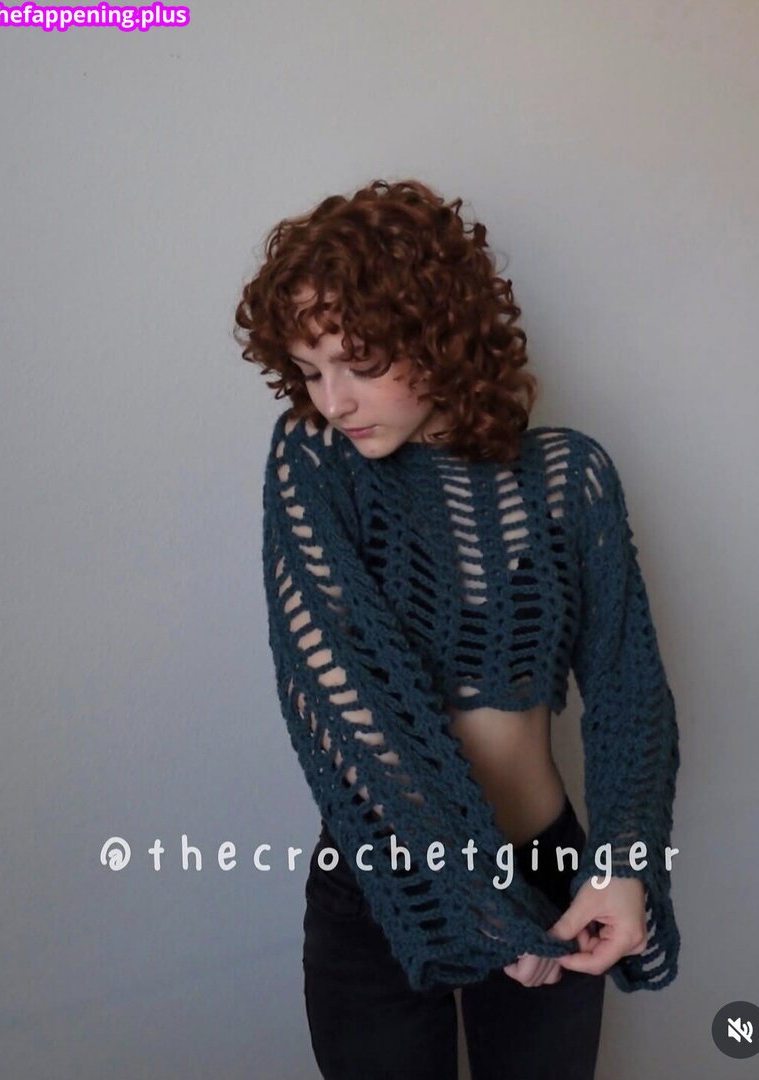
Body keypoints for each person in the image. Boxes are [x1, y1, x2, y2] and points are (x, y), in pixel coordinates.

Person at [233, 178, 681, 1080]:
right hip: (384, 879)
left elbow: (629, 692)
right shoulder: (315, 461)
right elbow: (343, 699)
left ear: (438, 333)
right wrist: (477, 899)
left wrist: (623, 864)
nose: (333, 399)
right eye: (311, 371)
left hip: (555, 882)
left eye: (358, 363)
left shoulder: (571, 478)